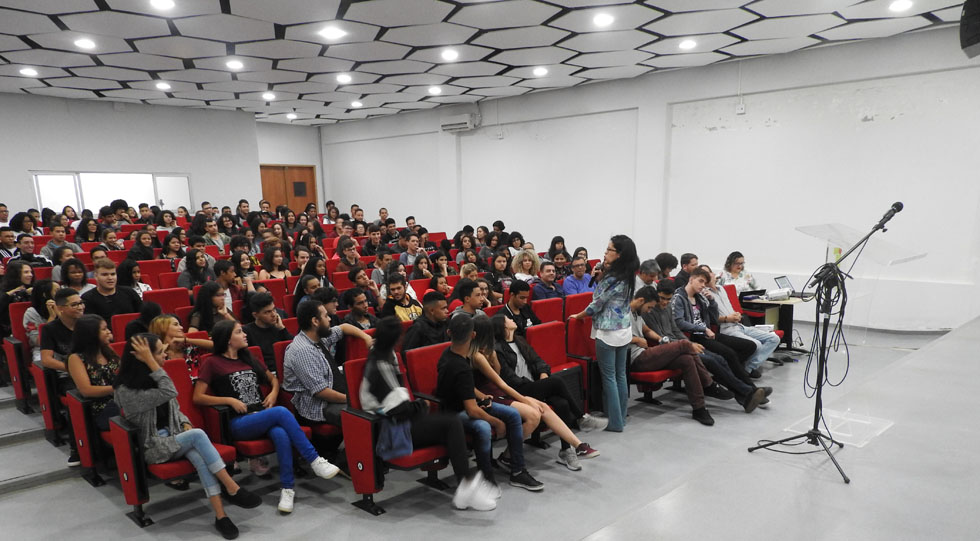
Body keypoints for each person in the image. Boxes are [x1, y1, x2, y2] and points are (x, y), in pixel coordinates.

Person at [115, 333, 261, 538]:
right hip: (154, 446)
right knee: (198, 435)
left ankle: (221, 516)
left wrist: (184, 423)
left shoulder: (155, 377)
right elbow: (169, 392)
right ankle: (231, 486)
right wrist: (150, 360)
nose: (165, 355)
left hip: (176, 437)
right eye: (159, 352)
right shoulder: (126, 391)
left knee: (200, 457)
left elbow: (175, 409)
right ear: (143, 358)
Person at [194, 320, 341, 514]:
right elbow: (198, 397)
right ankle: (314, 459)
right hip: (238, 422)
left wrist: (272, 393)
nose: (245, 334)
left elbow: (273, 380)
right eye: (239, 332)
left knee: (280, 433)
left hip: (261, 415)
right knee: (280, 412)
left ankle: (287, 489)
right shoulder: (212, 362)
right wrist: (229, 400)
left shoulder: (248, 357)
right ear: (228, 340)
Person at [359, 317, 495, 510]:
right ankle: (465, 485)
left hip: (402, 419)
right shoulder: (380, 365)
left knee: (449, 424)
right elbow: (397, 409)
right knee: (451, 423)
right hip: (391, 429)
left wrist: (417, 407)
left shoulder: (384, 354)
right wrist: (419, 406)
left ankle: (465, 484)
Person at [470, 315, 595, 471]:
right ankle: (508, 456)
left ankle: (578, 445)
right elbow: (501, 381)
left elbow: (533, 362)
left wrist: (492, 356)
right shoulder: (479, 355)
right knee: (535, 413)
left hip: (501, 390)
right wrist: (526, 399)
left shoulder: (513, 343)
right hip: (494, 393)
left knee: (547, 407)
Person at [435, 315, 543, 493]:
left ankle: (517, 470)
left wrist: (482, 396)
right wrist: (497, 423)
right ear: (473, 335)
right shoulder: (460, 365)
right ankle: (487, 477)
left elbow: (465, 388)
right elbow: (471, 410)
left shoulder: (449, 354)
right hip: (454, 414)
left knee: (513, 415)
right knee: (484, 427)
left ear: (449, 333)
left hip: (468, 402)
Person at [643, 280, 766, 411]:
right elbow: (660, 338)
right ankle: (747, 392)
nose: (665, 302)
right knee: (710, 360)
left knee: (719, 359)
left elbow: (676, 330)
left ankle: (743, 397)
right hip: (668, 349)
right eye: (662, 298)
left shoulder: (667, 307)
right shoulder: (649, 311)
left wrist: (689, 343)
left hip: (681, 344)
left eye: (668, 299)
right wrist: (687, 345)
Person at [491, 313, 607, 437]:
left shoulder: (520, 340)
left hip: (534, 385)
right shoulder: (498, 349)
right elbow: (510, 378)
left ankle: (567, 449)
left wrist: (543, 373)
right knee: (556, 381)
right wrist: (538, 385)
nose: (511, 319)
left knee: (562, 403)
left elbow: (538, 360)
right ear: (503, 327)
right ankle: (582, 417)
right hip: (518, 390)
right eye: (507, 319)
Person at [569, 235, 639, 433]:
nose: (605, 253)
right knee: (620, 376)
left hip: (608, 332)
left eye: (609, 250)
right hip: (623, 330)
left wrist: (578, 315)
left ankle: (615, 423)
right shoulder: (627, 273)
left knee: (610, 377)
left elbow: (596, 305)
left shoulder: (612, 278)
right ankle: (621, 418)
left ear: (619, 254)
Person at [627, 286, 719, 426]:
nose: (650, 311)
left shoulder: (637, 313)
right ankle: (708, 383)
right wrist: (636, 339)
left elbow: (646, 330)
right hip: (636, 359)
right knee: (684, 344)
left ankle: (699, 408)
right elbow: (614, 336)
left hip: (645, 354)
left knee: (686, 360)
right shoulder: (623, 313)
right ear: (641, 301)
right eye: (649, 307)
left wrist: (660, 340)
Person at [283, 299, 373, 432]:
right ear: (315, 321)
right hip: (319, 406)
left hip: (335, 395)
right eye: (325, 316)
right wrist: (352, 399)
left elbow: (343, 328)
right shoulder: (303, 350)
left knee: (376, 407)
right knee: (364, 417)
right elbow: (321, 392)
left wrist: (366, 338)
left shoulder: (318, 337)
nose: (330, 319)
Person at [704, 266, 780, 379]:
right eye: (704, 274)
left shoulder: (722, 288)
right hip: (726, 328)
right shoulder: (705, 294)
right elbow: (710, 318)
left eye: (709, 272)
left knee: (774, 339)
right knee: (757, 344)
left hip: (739, 325)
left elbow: (729, 308)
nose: (709, 275)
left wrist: (737, 314)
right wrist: (727, 318)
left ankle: (747, 369)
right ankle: (746, 370)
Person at [41, 287, 87, 466]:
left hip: (93, 371)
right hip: (67, 376)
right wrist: (73, 369)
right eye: (75, 305)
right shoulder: (50, 329)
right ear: (60, 308)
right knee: (77, 399)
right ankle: (77, 448)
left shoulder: (88, 323)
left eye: (81, 303)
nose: (80, 307)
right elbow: (46, 360)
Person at [66, 314, 121, 430]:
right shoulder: (76, 358)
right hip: (101, 408)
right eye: (104, 329)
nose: (109, 332)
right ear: (91, 334)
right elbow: (86, 390)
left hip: (120, 398)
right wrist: (117, 388)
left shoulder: (108, 349)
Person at [242, 293, 293, 373]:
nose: (273, 314)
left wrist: (282, 329)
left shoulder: (279, 328)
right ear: (255, 315)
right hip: (262, 373)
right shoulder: (246, 332)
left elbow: (295, 349)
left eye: (274, 309)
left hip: (284, 370)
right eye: (267, 312)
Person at [23, 279, 58, 362]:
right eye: (57, 291)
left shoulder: (65, 307)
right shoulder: (31, 313)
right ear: (45, 295)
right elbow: (38, 342)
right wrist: (52, 317)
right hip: (42, 349)